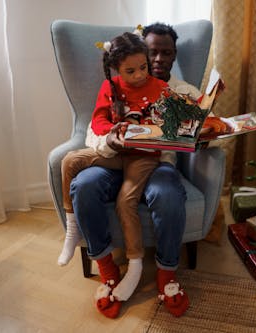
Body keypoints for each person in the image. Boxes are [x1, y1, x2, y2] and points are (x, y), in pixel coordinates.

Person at [70, 22, 201, 319]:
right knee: (84, 186)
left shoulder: (181, 91)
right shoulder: (114, 87)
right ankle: (107, 270)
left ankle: (166, 274)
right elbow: (95, 128)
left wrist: (201, 131)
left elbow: (205, 126)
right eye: (151, 53)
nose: (155, 62)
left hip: (157, 164)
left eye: (164, 54)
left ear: (174, 55)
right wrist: (111, 141)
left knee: (168, 195)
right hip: (112, 160)